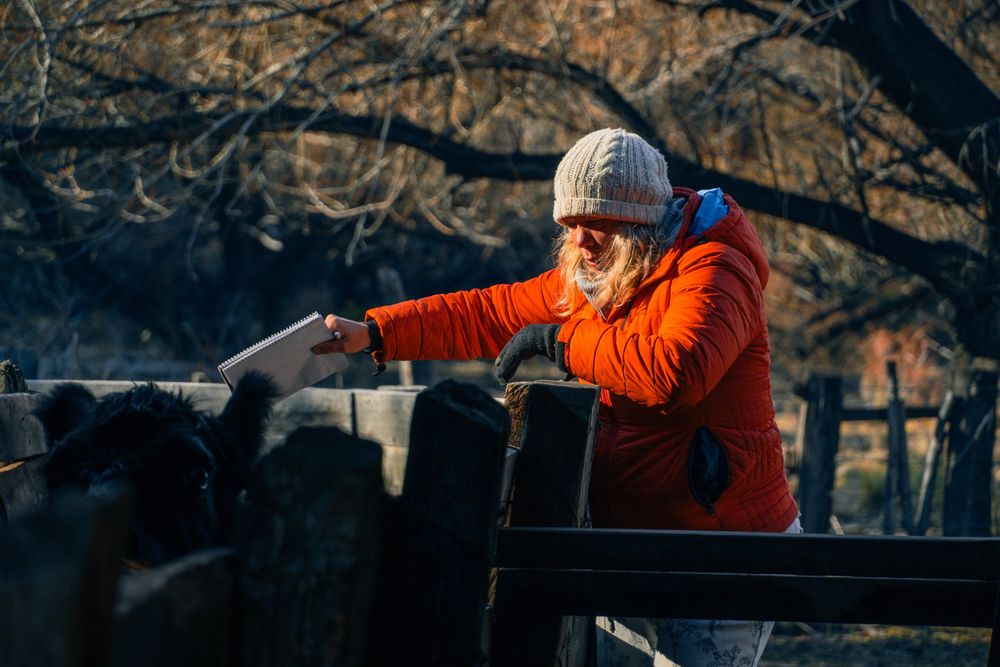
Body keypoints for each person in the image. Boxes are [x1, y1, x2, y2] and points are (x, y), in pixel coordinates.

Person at [313, 127, 800, 666]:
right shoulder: (595, 277)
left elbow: (675, 374)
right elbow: (488, 313)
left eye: (595, 223)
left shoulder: (713, 269)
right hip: (627, 545)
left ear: (638, 220)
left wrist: (561, 340)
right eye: (569, 224)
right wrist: (377, 332)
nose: (579, 241)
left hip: (723, 549)